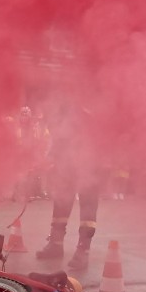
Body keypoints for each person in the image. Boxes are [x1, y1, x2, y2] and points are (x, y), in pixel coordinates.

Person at [35, 107, 100, 270]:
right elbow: (60, 139)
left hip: (89, 164)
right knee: (61, 202)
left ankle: (83, 250)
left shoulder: (92, 109)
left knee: (88, 209)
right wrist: (51, 158)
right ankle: (56, 244)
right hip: (67, 165)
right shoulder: (64, 110)